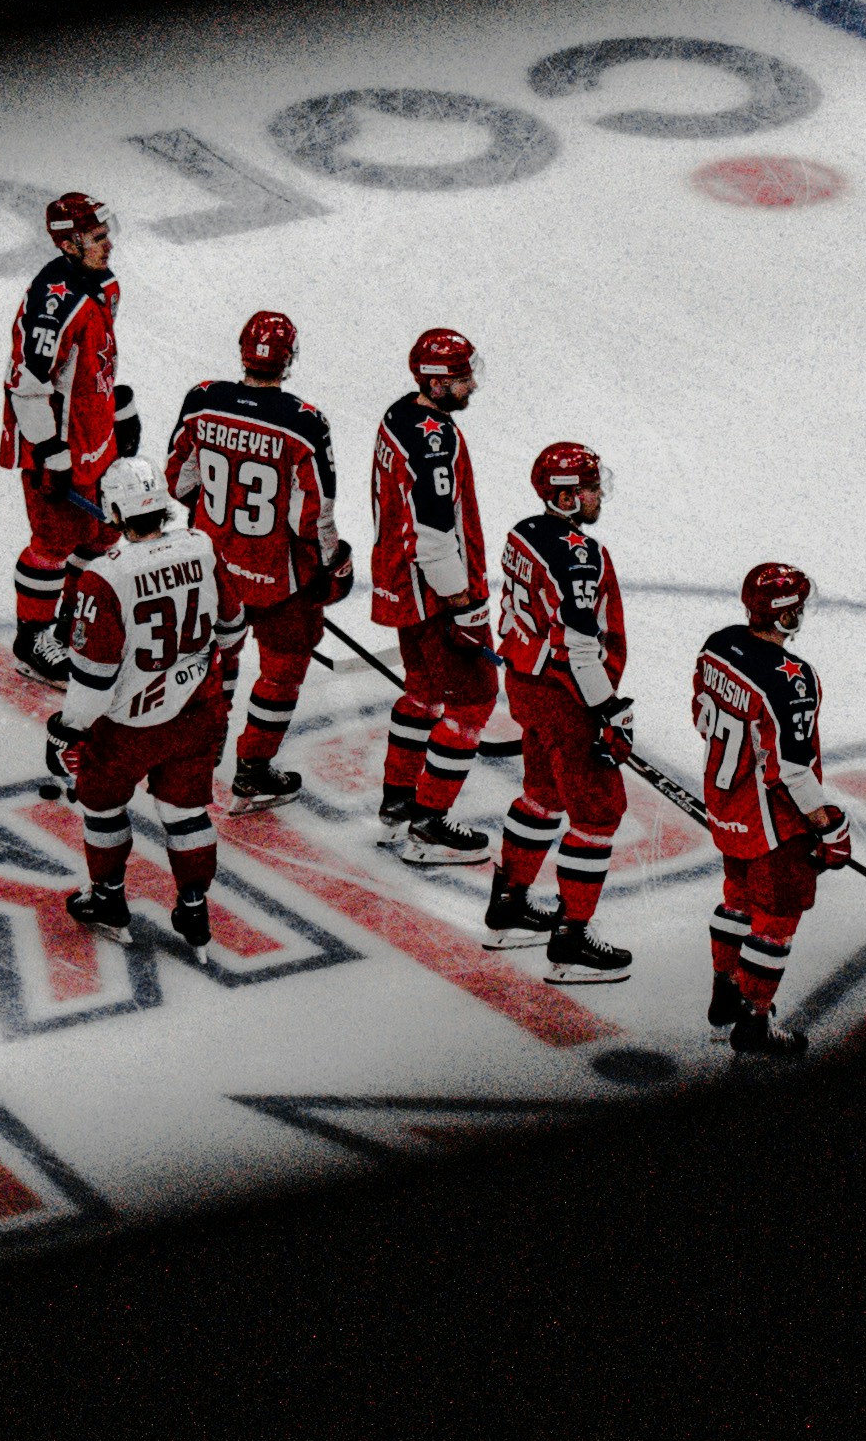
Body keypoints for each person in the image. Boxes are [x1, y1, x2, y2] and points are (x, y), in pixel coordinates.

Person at [55, 446, 233, 960]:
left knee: (102, 806)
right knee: (186, 813)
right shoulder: (202, 546)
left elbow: (94, 678)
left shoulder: (104, 576)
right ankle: (194, 905)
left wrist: (68, 728)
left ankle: (109, 899)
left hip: (127, 726)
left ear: (113, 512)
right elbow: (232, 628)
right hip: (196, 712)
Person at [171, 308, 349, 809]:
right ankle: (252, 772)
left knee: (211, 660)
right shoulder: (304, 422)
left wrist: (219, 521)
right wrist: (332, 565)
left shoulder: (203, 401)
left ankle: (197, 760)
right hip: (279, 576)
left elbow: (179, 482)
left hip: (211, 564)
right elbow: (313, 516)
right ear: (288, 359)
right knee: (283, 670)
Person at [482, 437, 637, 983]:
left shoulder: (523, 532)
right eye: (591, 488)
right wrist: (609, 709)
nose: (599, 495)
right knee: (597, 814)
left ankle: (509, 906)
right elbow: (580, 646)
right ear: (568, 498)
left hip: (527, 687)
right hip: (567, 695)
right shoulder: (579, 555)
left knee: (542, 795)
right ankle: (571, 943)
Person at [691, 560, 849, 1065]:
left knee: (737, 897)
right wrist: (831, 827)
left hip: (727, 801)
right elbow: (794, 770)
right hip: (775, 821)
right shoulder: (793, 679)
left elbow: (700, 714)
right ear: (784, 616)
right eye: (797, 605)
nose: (802, 611)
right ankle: (754, 1022)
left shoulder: (718, 645)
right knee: (775, 919)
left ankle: (725, 993)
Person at [369, 325, 495, 860]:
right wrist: (463, 603)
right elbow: (436, 531)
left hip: (401, 583)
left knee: (422, 692)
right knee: (473, 703)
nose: (471, 385)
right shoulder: (435, 438)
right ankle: (428, 825)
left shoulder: (400, 413)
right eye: (462, 376)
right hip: (433, 594)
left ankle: (397, 806)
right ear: (438, 382)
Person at [2, 186, 126, 687]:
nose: (108, 244)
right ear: (68, 244)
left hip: (94, 433)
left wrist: (118, 407)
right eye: (97, 237)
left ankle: (73, 624)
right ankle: (32, 642)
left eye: (106, 234)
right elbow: (27, 384)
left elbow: (90, 361)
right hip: (56, 445)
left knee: (102, 535)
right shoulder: (56, 303)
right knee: (53, 543)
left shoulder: (103, 284)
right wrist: (50, 450)